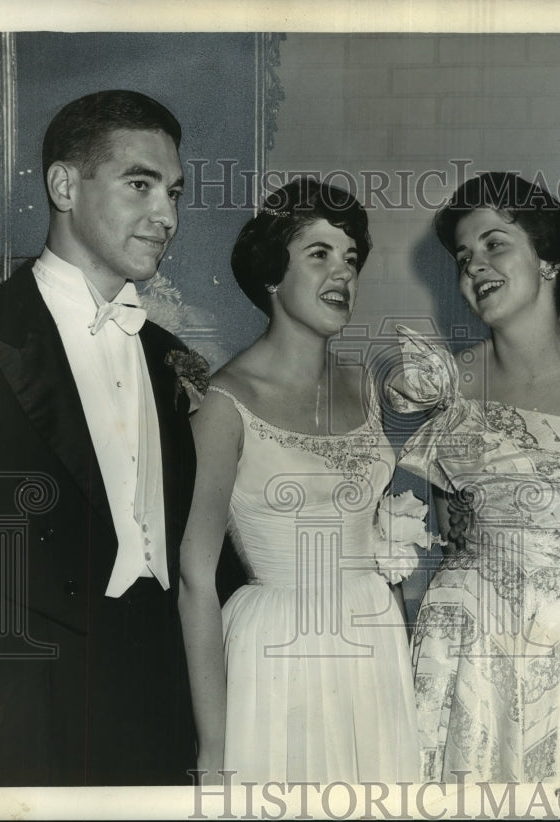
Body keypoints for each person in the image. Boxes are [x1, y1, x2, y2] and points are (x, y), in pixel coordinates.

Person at [0, 90, 198, 786]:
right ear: (62, 184)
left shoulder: (173, 359)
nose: (166, 215)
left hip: (156, 705)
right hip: (11, 709)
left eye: (173, 191)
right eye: (139, 184)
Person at [386, 172, 560, 783]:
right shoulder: (447, 386)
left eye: (495, 243)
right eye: (463, 256)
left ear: (548, 259)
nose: (475, 265)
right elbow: (436, 533)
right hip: (463, 641)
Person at [178, 178, 421, 784]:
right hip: (279, 650)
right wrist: (214, 744)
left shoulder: (370, 387)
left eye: (351, 259)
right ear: (271, 276)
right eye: (318, 254)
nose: (342, 274)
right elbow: (194, 578)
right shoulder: (225, 405)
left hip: (374, 638)